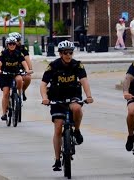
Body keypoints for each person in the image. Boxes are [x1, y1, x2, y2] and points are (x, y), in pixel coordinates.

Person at [40, 40, 94, 171]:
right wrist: (45, 98)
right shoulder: (53, 66)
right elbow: (43, 84)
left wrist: (89, 96)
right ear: (60, 54)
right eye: (65, 53)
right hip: (57, 99)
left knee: (77, 108)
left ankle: (77, 130)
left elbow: (84, 81)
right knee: (58, 128)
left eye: (70, 53)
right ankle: (58, 159)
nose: (68, 55)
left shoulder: (77, 65)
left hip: (73, 96)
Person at [0, 37, 32, 121]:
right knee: (5, 93)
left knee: (19, 79)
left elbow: (24, 63)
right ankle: (4, 113)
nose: (12, 45)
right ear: (7, 45)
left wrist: (27, 70)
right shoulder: (3, 53)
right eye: (10, 44)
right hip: (5, 74)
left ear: (16, 45)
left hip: (15, 73)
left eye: (13, 44)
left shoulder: (19, 53)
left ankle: (19, 94)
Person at [9, 32, 33, 101]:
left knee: (28, 77)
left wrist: (29, 69)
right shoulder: (7, 48)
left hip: (20, 67)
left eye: (19, 40)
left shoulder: (22, 48)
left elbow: (27, 58)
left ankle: (22, 91)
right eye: (17, 40)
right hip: (9, 69)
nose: (18, 42)